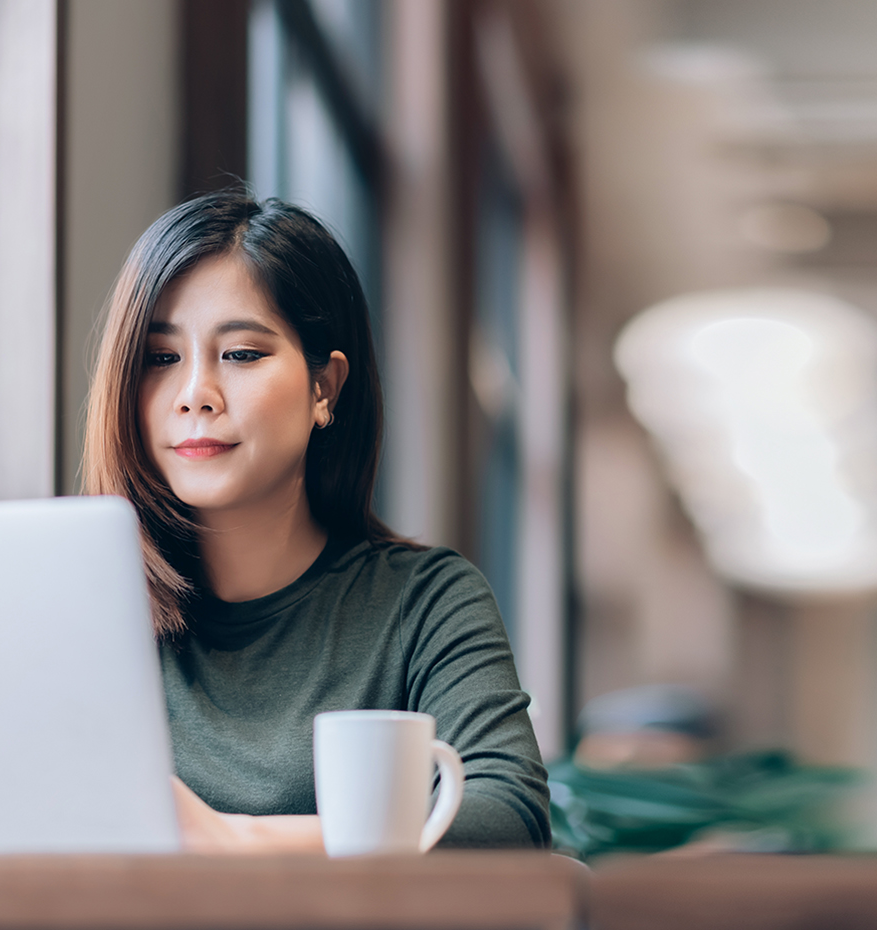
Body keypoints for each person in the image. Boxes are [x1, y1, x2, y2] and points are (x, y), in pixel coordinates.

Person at [82, 191, 549, 853]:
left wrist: (244, 843)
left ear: (324, 389)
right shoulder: (85, 617)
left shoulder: (425, 603)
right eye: (161, 359)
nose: (194, 396)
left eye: (241, 354)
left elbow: (509, 820)